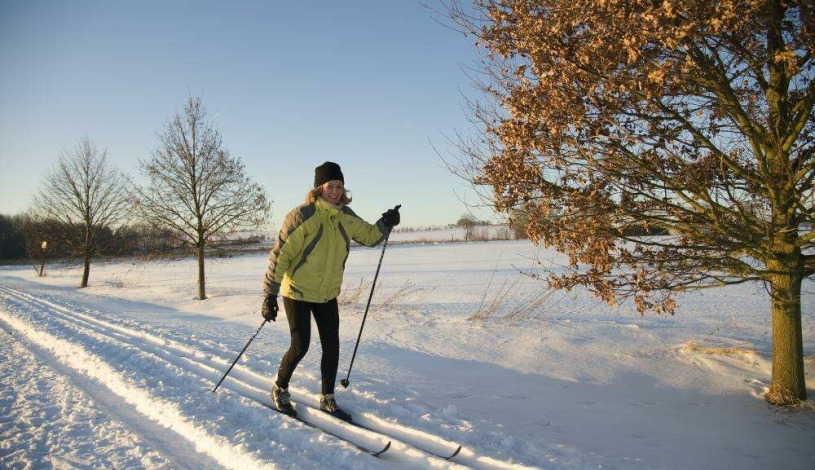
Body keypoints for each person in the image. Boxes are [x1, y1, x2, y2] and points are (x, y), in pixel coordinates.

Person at [261, 161, 400, 421]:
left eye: (339, 186)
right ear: (318, 188)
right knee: (300, 346)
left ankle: (328, 397)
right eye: (330, 186)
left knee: (332, 346)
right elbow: (280, 257)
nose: (335, 191)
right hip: (298, 292)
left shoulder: (346, 216)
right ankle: (280, 388)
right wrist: (270, 295)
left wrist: (386, 222)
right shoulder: (302, 216)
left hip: (326, 294)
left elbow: (370, 236)